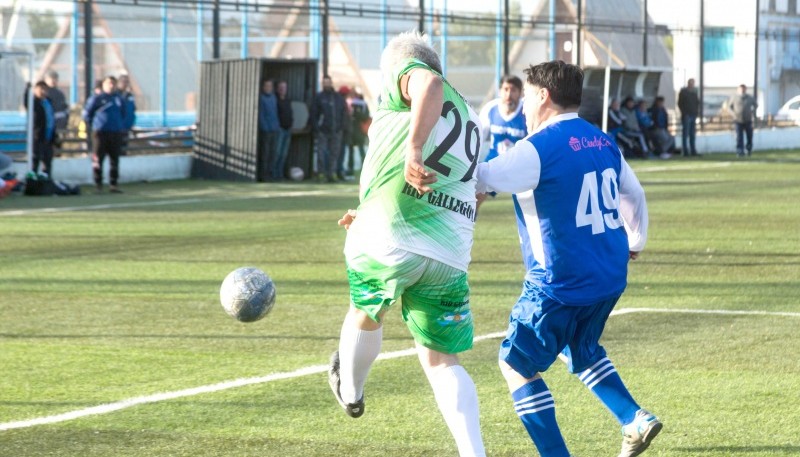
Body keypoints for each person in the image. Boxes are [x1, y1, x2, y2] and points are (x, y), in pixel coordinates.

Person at [424, 60, 659, 457]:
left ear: (543, 96)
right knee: (579, 349)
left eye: (529, 94)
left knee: (514, 363)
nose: (526, 104)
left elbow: (479, 177)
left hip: (559, 284)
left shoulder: (537, 149)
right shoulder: (603, 140)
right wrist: (635, 239)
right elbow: (633, 193)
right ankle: (634, 418)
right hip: (609, 276)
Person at [329, 31, 486, 457]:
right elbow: (476, 189)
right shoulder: (470, 116)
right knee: (441, 362)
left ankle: (351, 389)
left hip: (390, 237)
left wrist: (413, 149)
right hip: (449, 254)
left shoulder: (413, 72)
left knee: (366, 308)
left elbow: (429, 85)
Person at [83, 76, 127, 193]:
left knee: (115, 159)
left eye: (113, 83)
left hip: (115, 132)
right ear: (103, 85)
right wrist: (95, 126)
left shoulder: (119, 99)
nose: (111, 85)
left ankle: (114, 184)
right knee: (98, 159)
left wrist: (119, 125)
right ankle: (98, 184)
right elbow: (87, 114)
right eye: (109, 83)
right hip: (100, 133)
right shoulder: (97, 98)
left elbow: (123, 113)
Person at [479, 75, 528, 163]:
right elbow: (478, 138)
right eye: (506, 89)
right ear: (500, 91)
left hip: (516, 166)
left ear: (520, 93)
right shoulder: (490, 109)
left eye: (513, 90)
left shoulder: (527, 111)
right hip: (492, 163)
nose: (509, 95)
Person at [310, 75, 347, 183]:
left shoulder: (338, 98)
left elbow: (344, 113)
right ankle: (321, 174)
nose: (326, 84)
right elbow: (314, 113)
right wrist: (317, 127)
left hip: (336, 130)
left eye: (328, 82)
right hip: (323, 131)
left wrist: (341, 127)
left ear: (331, 83)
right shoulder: (319, 97)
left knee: (334, 153)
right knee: (321, 153)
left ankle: (332, 173)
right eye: (324, 83)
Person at [25, 81, 57, 177]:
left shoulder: (48, 102)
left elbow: (51, 118)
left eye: (45, 89)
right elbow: (26, 102)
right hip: (37, 136)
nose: (43, 91)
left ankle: (46, 181)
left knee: (48, 161)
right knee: (35, 159)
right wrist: (27, 90)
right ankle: (33, 181)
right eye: (40, 89)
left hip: (48, 137)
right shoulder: (34, 102)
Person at [344, 88, 371, 176]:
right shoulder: (349, 103)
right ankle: (351, 168)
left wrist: (356, 114)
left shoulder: (360, 104)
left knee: (360, 150)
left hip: (357, 130)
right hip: (353, 130)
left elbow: (365, 116)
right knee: (354, 150)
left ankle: (363, 168)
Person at [726, 84, 757, 157]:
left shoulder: (749, 97)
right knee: (739, 136)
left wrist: (751, 112)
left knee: (749, 135)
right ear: (738, 89)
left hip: (748, 119)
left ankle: (748, 149)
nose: (742, 90)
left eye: (744, 89)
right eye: (741, 89)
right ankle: (740, 151)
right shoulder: (734, 97)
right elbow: (729, 107)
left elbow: (755, 105)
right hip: (738, 120)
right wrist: (734, 114)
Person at [258, 79, 280, 181]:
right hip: (266, 130)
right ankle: (263, 175)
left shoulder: (274, 98)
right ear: (263, 87)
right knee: (265, 153)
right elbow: (261, 115)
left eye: (270, 86)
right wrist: (265, 127)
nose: (268, 88)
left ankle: (271, 174)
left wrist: (276, 126)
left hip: (274, 129)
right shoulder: (261, 98)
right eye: (266, 86)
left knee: (273, 153)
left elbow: (275, 113)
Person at [272, 80, 294, 181]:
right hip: (279, 129)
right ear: (277, 88)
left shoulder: (288, 100)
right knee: (277, 153)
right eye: (281, 87)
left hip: (287, 129)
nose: (282, 89)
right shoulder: (275, 100)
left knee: (284, 154)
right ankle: (273, 173)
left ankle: (280, 174)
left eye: (284, 87)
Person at [677, 78, 699, 156]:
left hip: (693, 115)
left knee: (692, 134)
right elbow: (679, 103)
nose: (692, 84)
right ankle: (685, 151)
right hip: (686, 115)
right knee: (685, 134)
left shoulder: (694, 92)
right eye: (691, 83)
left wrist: (696, 112)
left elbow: (697, 103)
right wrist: (684, 112)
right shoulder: (683, 92)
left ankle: (693, 150)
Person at [117, 74, 137, 155]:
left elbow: (132, 109)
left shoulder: (129, 95)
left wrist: (132, 123)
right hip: (118, 127)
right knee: (117, 148)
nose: (125, 84)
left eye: (127, 82)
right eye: (123, 82)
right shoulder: (116, 95)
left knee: (124, 147)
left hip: (127, 126)